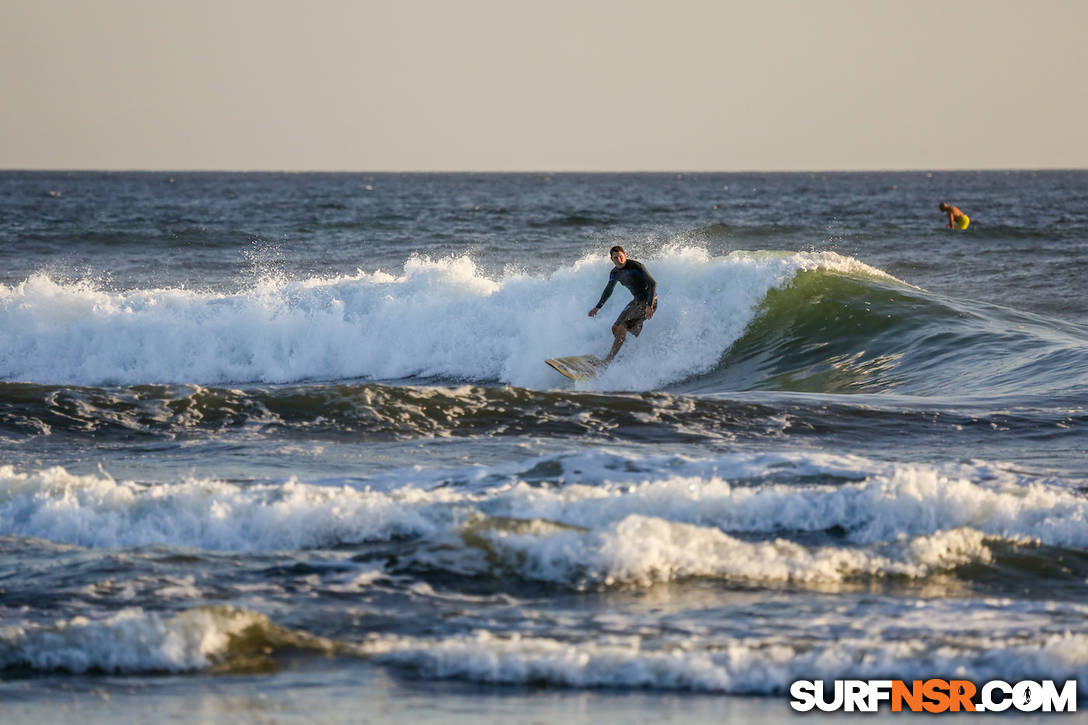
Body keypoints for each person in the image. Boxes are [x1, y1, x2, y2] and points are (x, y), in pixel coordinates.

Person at [587, 246, 658, 363]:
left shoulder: (636, 267)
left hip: (649, 301)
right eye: (615, 258)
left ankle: (608, 361)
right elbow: (608, 290)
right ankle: (625, 354)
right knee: (615, 328)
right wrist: (597, 307)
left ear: (625, 255)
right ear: (612, 260)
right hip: (636, 301)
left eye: (621, 256)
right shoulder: (615, 273)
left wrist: (649, 306)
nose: (619, 259)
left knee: (622, 326)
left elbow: (653, 284)